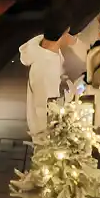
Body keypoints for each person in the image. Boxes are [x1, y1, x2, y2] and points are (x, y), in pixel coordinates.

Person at [19, 10, 76, 139]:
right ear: (65, 33)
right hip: (46, 134)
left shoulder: (40, 47)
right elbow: (49, 109)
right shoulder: (46, 68)